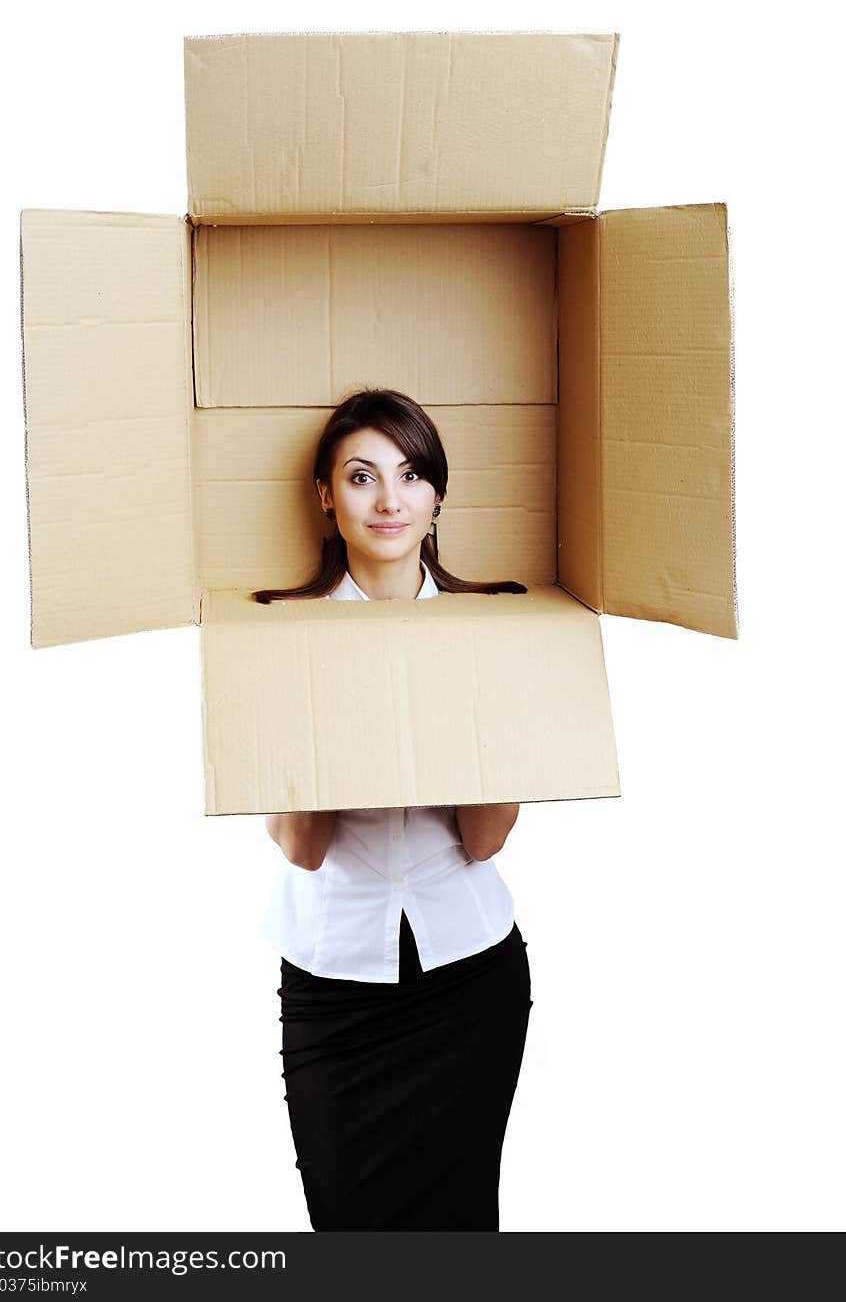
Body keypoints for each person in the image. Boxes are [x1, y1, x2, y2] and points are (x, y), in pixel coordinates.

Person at [252, 387, 534, 1231]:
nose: (388, 499)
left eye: (410, 475)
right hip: (335, 984)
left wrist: (465, 705)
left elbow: (483, 840)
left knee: (461, 1227)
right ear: (325, 496)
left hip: (470, 976)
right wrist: (339, 704)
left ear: (437, 496)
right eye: (362, 475)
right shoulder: (277, 638)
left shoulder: (491, 631)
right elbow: (302, 848)